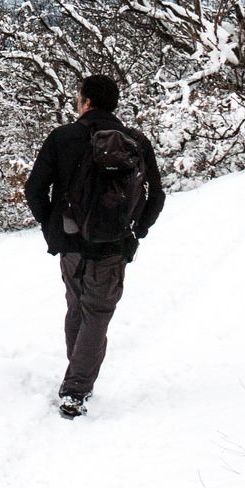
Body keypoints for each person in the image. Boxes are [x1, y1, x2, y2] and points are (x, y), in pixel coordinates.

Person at [23, 74, 165, 418]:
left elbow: (34, 190)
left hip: (70, 244)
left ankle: (76, 383)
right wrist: (136, 230)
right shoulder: (135, 141)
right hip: (113, 247)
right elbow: (156, 196)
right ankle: (77, 387)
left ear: (85, 101)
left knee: (77, 308)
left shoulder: (63, 137)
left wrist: (52, 227)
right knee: (97, 315)